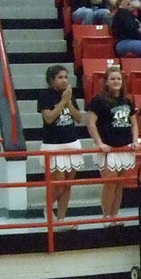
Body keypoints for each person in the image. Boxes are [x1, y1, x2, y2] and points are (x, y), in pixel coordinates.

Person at [86, 66, 139, 222]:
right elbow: (90, 123)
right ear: (106, 82)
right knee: (110, 183)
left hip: (124, 147)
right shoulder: (98, 100)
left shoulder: (127, 100)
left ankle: (115, 216)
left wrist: (135, 140)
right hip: (108, 149)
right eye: (113, 79)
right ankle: (106, 217)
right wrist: (99, 143)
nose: (116, 82)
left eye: (119, 79)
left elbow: (134, 123)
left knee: (120, 184)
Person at [38, 65, 87, 224]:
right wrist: (63, 101)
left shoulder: (69, 94)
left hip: (72, 142)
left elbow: (79, 118)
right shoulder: (45, 95)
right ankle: (47, 208)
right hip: (54, 144)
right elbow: (49, 118)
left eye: (66, 77)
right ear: (51, 80)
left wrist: (69, 102)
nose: (64, 80)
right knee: (59, 184)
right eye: (60, 77)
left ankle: (61, 219)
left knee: (68, 185)